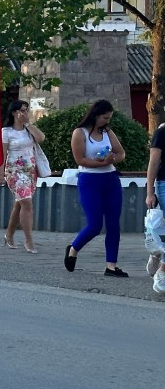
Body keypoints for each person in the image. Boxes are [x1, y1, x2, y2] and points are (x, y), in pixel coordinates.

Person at [65, 99, 128, 277]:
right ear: (95, 115)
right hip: (90, 180)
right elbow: (80, 160)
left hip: (110, 179)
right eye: (104, 118)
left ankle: (111, 265)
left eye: (109, 118)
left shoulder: (108, 132)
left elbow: (121, 153)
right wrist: (99, 163)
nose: (107, 121)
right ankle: (73, 249)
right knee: (94, 225)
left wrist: (112, 159)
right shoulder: (80, 133)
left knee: (113, 224)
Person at [0, 99, 44, 253]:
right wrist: (0, 174)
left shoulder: (28, 130)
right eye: (22, 110)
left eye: (26, 110)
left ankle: (9, 235)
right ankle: (29, 240)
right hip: (14, 171)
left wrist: (28, 124)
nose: (25, 113)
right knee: (27, 203)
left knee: (20, 204)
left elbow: (41, 138)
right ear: (14, 113)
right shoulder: (6, 132)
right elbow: (1, 155)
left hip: (30, 170)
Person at [145, 119, 165, 293]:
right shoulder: (161, 133)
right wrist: (150, 192)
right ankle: (161, 271)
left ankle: (157, 255)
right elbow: (153, 162)